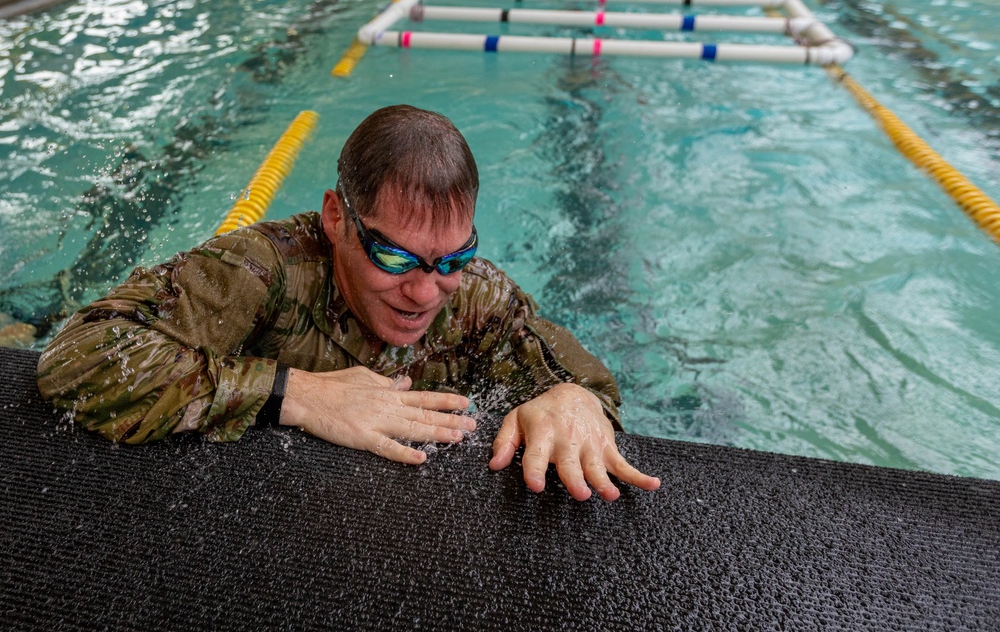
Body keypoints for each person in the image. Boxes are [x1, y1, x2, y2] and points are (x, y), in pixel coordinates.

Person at [37, 105, 660, 502]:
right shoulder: (263, 269)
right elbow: (79, 356)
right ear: (338, 217)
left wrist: (573, 400)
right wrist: (294, 394)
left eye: (451, 259)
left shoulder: (475, 295)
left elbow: (574, 379)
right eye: (393, 257)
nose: (423, 294)